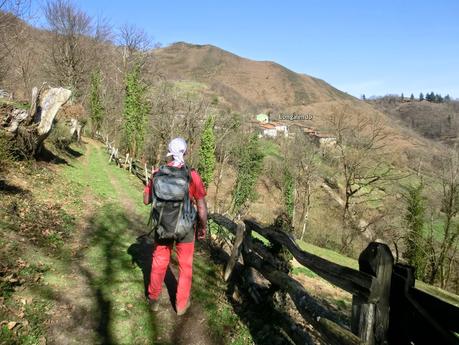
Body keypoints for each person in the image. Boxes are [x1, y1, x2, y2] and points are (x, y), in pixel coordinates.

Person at [143, 137, 208, 316]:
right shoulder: (192, 175)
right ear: (185, 152)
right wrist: (202, 227)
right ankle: (180, 305)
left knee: (159, 261)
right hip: (185, 229)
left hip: (163, 225)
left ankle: (153, 298)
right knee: (185, 266)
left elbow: (146, 200)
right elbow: (201, 208)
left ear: (169, 152)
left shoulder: (157, 173)